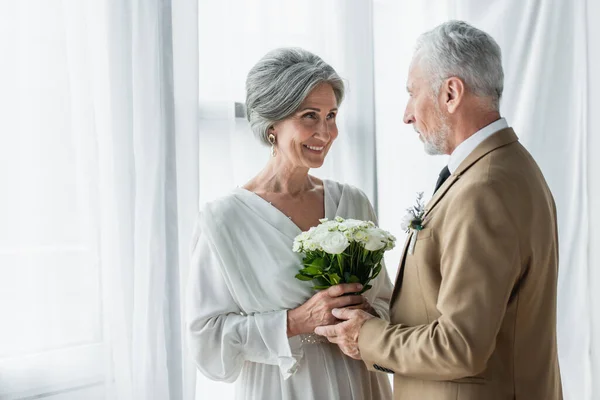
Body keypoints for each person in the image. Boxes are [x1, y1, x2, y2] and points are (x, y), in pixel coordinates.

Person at [315, 21, 563, 399]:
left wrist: (365, 336)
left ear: (451, 93)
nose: (407, 114)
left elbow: (459, 345)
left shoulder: (484, 189)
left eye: (413, 93)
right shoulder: (507, 167)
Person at [186, 47, 393, 400]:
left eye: (331, 115)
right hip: (282, 389)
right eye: (309, 116)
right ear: (271, 125)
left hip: (360, 384)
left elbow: (388, 303)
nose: (326, 132)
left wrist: (368, 318)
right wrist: (297, 321)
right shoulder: (224, 220)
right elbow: (207, 338)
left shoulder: (353, 202)